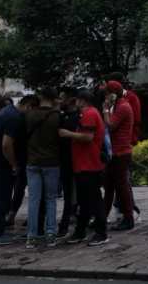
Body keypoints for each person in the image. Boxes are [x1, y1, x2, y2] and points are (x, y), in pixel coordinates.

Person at [0, 95, 35, 245]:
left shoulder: (7, 111)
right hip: (0, 162)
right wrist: (14, 164)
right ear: (29, 106)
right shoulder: (14, 118)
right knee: (3, 198)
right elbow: (6, 144)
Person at [60, 90, 109, 247]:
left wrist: (68, 134)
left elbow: (88, 137)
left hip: (89, 164)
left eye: (76, 101)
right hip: (84, 164)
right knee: (84, 201)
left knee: (94, 200)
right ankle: (80, 231)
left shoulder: (89, 113)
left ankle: (101, 233)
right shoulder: (91, 113)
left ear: (82, 101)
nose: (75, 104)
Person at [24, 88, 62, 248]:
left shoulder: (29, 114)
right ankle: (51, 234)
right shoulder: (56, 116)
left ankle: (31, 236)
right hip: (52, 162)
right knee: (50, 199)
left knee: (34, 200)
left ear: (40, 97)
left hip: (32, 161)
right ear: (54, 99)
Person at [102, 80, 135, 231]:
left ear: (113, 94)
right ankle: (102, 217)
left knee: (121, 188)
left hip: (120, 153)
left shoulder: (123, 107)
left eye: (107, 93)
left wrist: (105, 110)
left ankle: (129, 218)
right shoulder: (121, 105)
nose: (105, 96)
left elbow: (111, 125)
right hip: (116, 152)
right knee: (110, 186)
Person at [6, 95, 39, 228]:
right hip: (25, 158)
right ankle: (13, 215)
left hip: (26, 158)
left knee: (24, 189)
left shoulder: (21, 117)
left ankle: (16, 216)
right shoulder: (18, 118)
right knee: (22, 188)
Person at [57, 92, 80, 237]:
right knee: (69, 194)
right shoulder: (61, 116)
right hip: (65, 160)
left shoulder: (79, 117)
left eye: (63, 98)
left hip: (76, 160)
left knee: (79, 193)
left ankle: (68, 223)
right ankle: (65, 223)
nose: (61, 101)